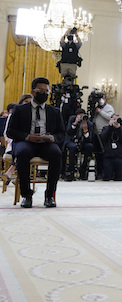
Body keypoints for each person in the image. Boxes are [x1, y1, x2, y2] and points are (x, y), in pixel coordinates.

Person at [6, 77, 66, 208]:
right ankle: (27, 195)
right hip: (26, 141)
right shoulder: (20, 109)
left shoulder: (54, 111)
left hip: (46, 143)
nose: (44, 93)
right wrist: (27, 136)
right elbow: (10, 131)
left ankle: (49, 195)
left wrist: (53, 138)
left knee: (56, 153)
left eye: (46, 91)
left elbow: (62, 133)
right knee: (22, 153)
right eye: (40, 90)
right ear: (33, 92)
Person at [1, 94, 34, 189]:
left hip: (30, 145)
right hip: (13, 144)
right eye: (26, 102)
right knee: (20, 151)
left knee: (24, 151)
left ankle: (10, 174)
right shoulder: (13, 115)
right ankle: (19, 180)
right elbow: (7, 134)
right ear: (21, 103)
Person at [64, 108, 94, 181]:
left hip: (83, 142)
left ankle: (83, 168)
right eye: (79, 116)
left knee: (90, 146)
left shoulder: (89, 123)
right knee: (73, 147)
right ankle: (71, 171)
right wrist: (75, 123)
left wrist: (85, 130)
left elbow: (90, 139)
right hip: (72, 140)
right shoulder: (72, 119)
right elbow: (68, 131)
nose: (81, 118)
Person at [92, 92, 114, 179]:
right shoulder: (96, 107)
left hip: (104, 133)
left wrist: (100, 112)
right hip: (95, 133)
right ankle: (98, 171)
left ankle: (105, 172)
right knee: (97, 153)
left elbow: (110, 117)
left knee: (103, 153)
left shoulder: (109, 107)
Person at [101, 113, 122, 181]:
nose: (116, 121)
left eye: (117, 119)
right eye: (114, 119)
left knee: (119, 178)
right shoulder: (106, 128)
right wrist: (110, 127)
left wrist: (118, 129)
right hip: (108, 156)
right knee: (106, 178)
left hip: (119, 156)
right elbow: (103, 138)